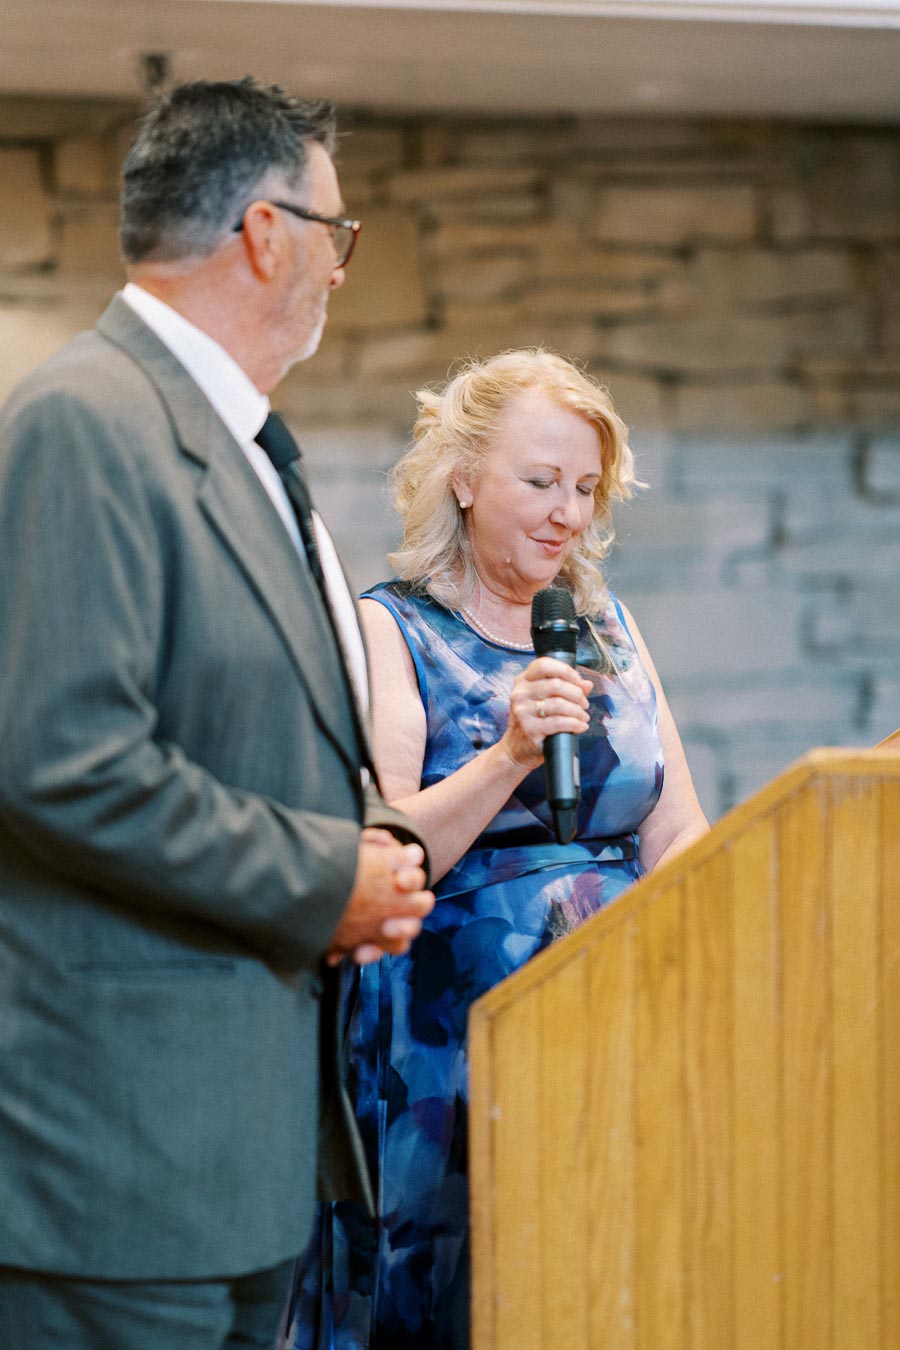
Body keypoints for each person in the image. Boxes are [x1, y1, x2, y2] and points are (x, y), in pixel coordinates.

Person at [0, 78, 434, 1350]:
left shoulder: (236, 439)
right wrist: (322, 877)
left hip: (230, 1163)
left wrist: (373, 843)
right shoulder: (88, 420)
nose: (340, 270)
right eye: (336, 234)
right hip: (118, 1171)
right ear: (263, 231)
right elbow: (64, 759)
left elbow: (247, 721)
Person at [284, 349, 709, 1349]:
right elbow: (386, 853)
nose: (567, 512)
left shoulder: (607, 628)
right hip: (447, 1054)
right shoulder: (395, 630)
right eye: (540, 481)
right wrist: (513, 754)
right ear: (464, 478)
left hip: (623, 1028)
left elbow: (677, 828)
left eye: (586, 488)